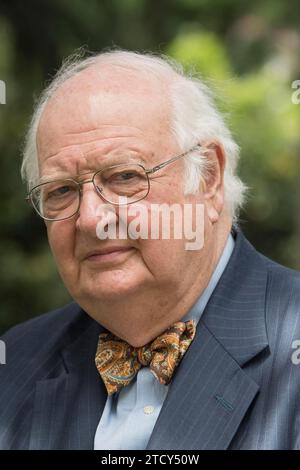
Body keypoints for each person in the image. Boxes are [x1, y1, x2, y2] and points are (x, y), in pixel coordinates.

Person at [1, 49, 300, 450]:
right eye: (61, 191)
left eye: (124, 176)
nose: (90, 219)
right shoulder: (16, 362)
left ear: (208, 177)